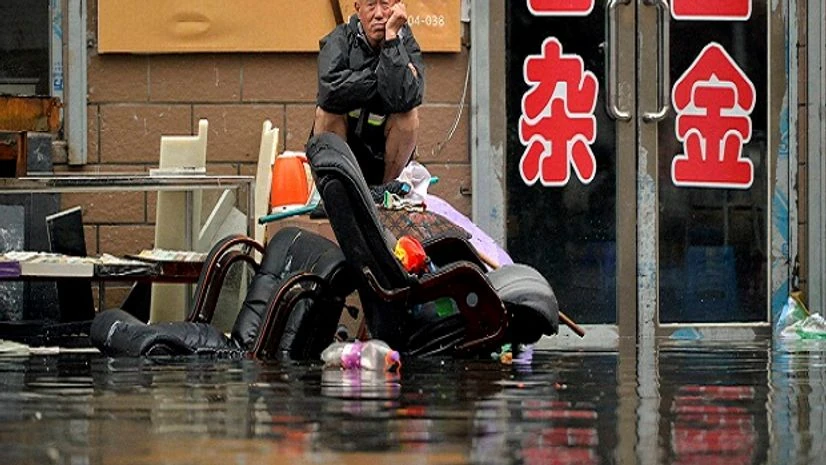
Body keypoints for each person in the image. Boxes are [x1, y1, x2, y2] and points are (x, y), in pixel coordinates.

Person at [312, 0, 425, 186]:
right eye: (371, 5)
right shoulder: (339, 39)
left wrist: (391, 39)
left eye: (385, 4)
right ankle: (338, 189)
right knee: (326, 114)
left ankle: (387, 191)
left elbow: (406, 99)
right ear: (358, 9)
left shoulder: (406, 42)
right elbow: (330, 91)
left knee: (409, 117)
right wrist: (383, 78)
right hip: (345, 151)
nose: (379, 14)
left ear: (397, 7)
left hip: (385, 159)